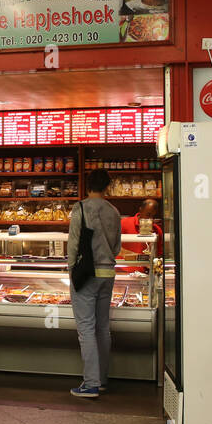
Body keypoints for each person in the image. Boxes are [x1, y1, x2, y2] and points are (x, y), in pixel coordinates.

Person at [66, 169, 122, 398]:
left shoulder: (80, 208)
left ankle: (90, 383)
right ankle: (101, 380)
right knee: (102, 327)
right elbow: (117, 247)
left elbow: (73, 244)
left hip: (86, 274)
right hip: (108, 273)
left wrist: (72, 273)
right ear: (107, 187)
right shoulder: (114, 211)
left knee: (86, 329)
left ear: (87, 185)